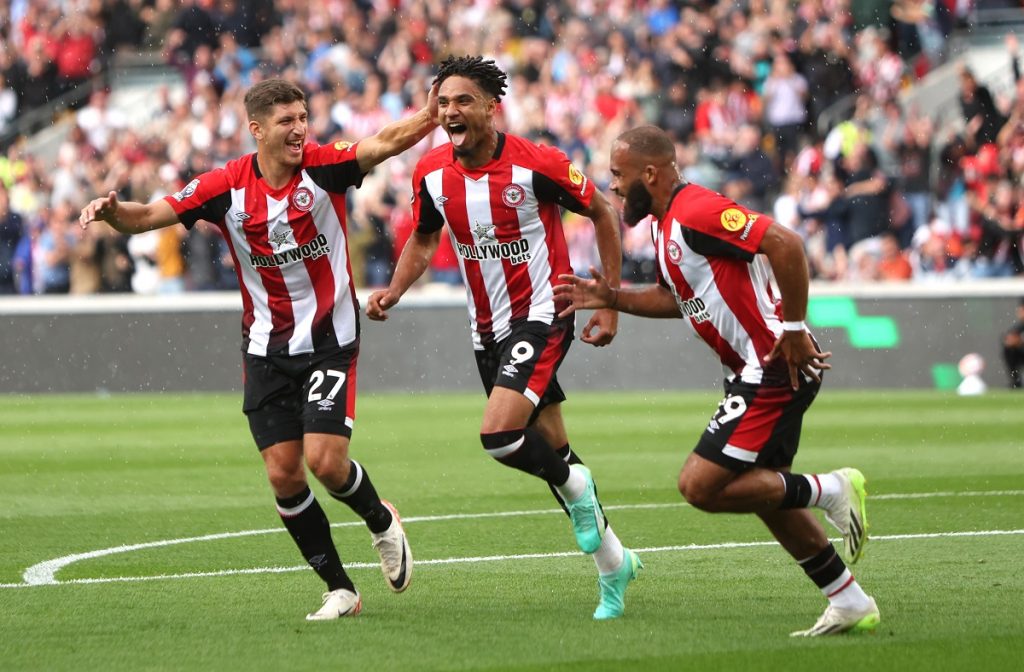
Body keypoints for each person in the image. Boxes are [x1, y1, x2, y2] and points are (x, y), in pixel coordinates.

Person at [79, 77, 439, 621]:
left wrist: (431, 116)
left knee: (325, 462)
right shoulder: (224, 186)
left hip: (328, 339)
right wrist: (111, 212)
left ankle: (380, 520)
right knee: (284, 475)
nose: (299, 129)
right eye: (286, 120)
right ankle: (339, 588)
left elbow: (382, 142)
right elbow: (149, 216)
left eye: (302, 117)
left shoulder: (323, 166)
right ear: (257, 129)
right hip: (265, 346)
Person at [554, 125, 880, 636]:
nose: (612, 187)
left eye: (618, 175)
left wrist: (793, 328)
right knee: (766, 492)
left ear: (650, 173)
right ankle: (849, 599)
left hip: (772, 363)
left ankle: (830, 488)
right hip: (750, 371)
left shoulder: (696, 210)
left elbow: (786, 243)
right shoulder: (666, 228)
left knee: (700, 486)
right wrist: (613, 298)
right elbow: (674, 299)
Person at [366, 56, 641, 620]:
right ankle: (614, 566)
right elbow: (422, 239)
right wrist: (394, 290)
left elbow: (604, 212)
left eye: (463, 101)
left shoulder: (538, 164)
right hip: (485, 329)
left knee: (499, 436)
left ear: (493, 107)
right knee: (553, 451)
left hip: (542, 314)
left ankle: (579, 490)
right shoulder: (432, 173)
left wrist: (610, 299)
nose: (450, 112)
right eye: (442, 102)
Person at [1002, 299, 1024, 389]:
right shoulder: (1017, 328)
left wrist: (1020, 342)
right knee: (1009, 349)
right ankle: (1016, 381)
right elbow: (1008, 339)